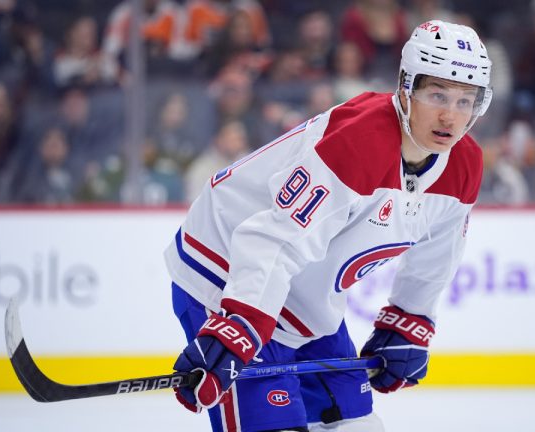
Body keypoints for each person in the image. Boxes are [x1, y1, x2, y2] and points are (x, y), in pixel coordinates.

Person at [165, 19, 492, 431]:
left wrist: (410, 317)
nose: (451, 115)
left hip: (305, 300)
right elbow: (273, 240)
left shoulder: (463, 164)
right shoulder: (359, 143)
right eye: (437, 94)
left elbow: (437, 254)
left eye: (466, 100)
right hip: (228, 271)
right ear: (406, 90)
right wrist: (240, 323)